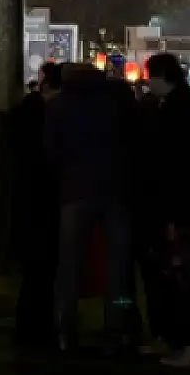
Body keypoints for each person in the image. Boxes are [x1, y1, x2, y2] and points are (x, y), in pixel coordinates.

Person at [46, 61, 136, 351]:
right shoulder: (117, 104)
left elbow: (52, 150)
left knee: (69, 265)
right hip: (116, 190)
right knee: (118, 267)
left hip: (74, 191)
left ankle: (66, 326)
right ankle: (118, 325)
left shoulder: (59, 106)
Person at [138, 51, 190, 369]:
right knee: (171, 276)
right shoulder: (179, 106)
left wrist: (174, 216)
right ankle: (173, 338)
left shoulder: (179, 111)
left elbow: (179, 168)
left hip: (176, 209)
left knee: (181, 276)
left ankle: (188, 343)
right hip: (173, 207)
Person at [11, 61, 62, 348]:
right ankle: (41, 326)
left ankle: (29, 325)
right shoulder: (52, 113)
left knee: (34, 269)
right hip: (46, 199)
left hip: (28, 198)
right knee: (44, 268)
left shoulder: (26, 111)